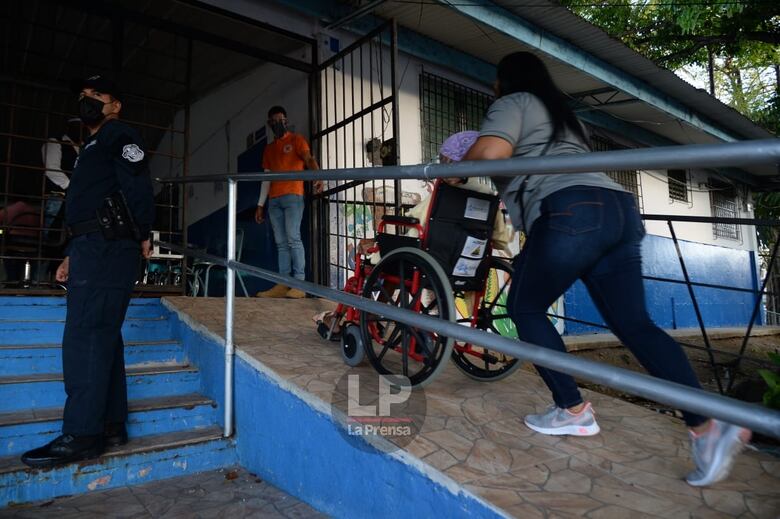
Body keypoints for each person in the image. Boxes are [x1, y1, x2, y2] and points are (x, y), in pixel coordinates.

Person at [460, 51, 750, 487]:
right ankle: (706, 428)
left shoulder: (513, 103)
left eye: (496, 80)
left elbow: (490, 153)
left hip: (570, 211)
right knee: (635, 324)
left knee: (525, 309)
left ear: (504, 80)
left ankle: (573, 410)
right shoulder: (565, 118)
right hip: (618, 212)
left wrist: (454, 165)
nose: (494, 87)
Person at [21, 75, 154, 468]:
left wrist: (142, 234)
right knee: (103, 336)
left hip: (110, 246)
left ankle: (82, 434)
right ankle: (110, 423)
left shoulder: (119, 135)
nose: (88, 101)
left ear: (115, 105)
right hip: (92, 247)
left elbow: (138, 185)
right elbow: (89, 204)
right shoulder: (92, 145)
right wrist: (72, 254)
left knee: (85, 336)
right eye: (83, 96)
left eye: (98, 95)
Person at [255, 105, 322, 299]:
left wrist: (317, 175)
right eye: (275, 121)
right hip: (274, 201)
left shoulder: (296, 140)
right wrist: (260, 204)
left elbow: (308, 159)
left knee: (293, 238)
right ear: (270, 124)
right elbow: (266, 178)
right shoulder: (268, 150)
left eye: (282, 120)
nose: (279, 123)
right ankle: (283, 284)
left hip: (293, 196)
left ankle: (299, 284)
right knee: (281, 243)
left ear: (286, 120)